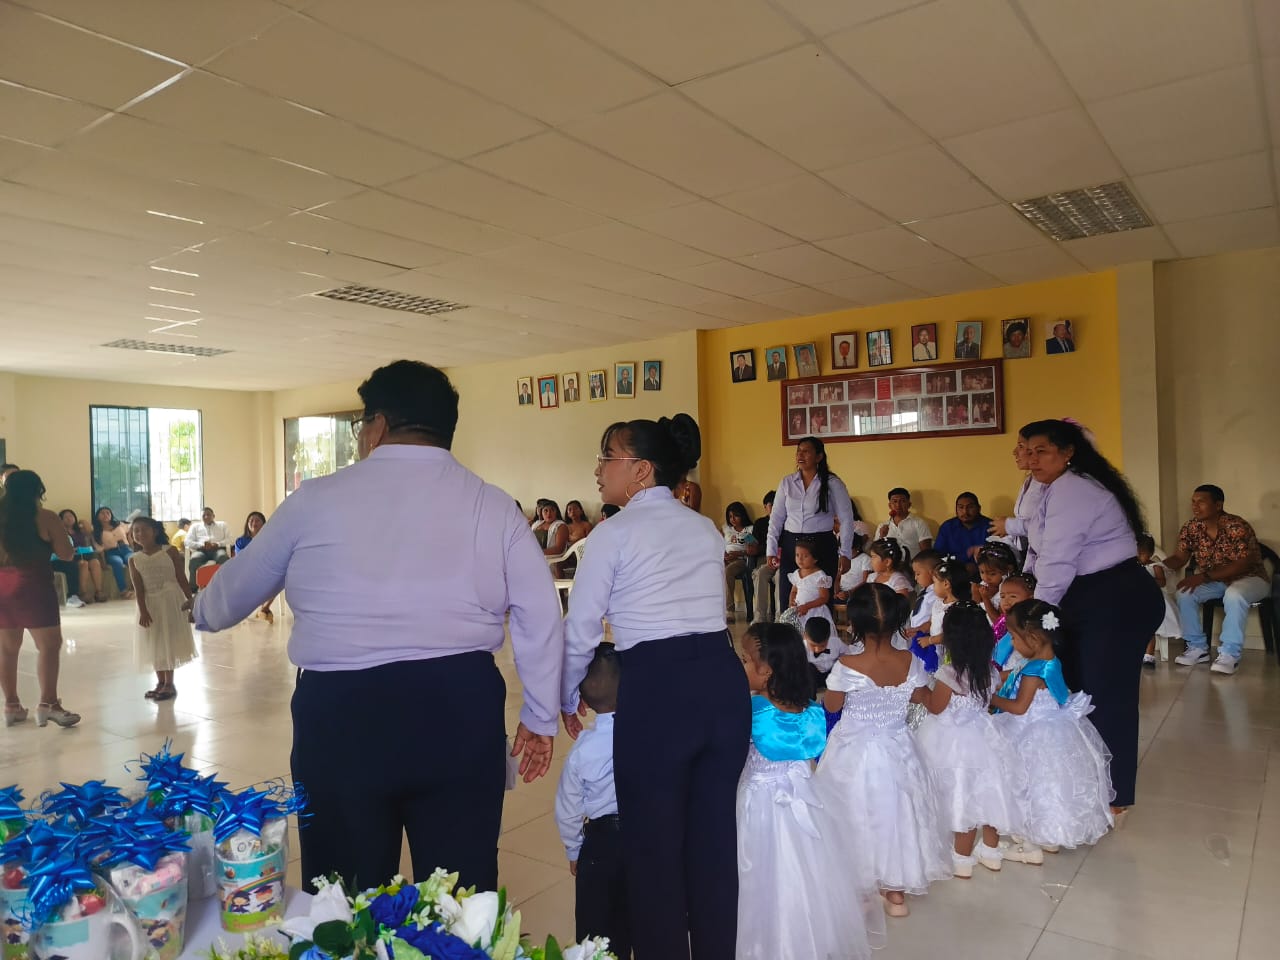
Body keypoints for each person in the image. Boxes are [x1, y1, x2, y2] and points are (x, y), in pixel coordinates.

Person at [194, 360, 563, 893]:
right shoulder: (494, 505)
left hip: (342, 718)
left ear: (378, 426)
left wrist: (199, 608)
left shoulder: (313, 500)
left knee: (345, 896)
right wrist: (540, 715)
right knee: (462, 895)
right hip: (460, 713)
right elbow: (541, 613)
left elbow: (228, 599)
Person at [560, 413, 748, 960]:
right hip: (722, 683)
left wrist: (567, 695)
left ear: (641, 470)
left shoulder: (612, 534)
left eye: (607, 458)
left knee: (653, 851)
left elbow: (581, 629)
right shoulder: (703, 526)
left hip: (658, 690)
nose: (598, 470)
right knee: (713, 845)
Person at [991, 419, 1162, 821]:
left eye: (1042, 451)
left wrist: (1033, 617)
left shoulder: (1075, 488)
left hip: (1116, 599)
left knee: (1106, 696)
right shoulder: (1051, 486)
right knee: (1077, 690)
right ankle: (1084, 781)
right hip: (1087, 596)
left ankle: (1115, 795)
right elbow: (1037, 543)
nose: (1031, 459)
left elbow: (1058, 560)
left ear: (1068, 453)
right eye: (1027, 450)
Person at [736, 622, 881, 960]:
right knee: (803, 874)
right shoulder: (812, 711)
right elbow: (810, 760)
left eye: (744, 659)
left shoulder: (752, 712)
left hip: (758, 806)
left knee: (760, 873)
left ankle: (763, 943)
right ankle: (804, 939)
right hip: (805, 802)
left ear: (766, 671)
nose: (740, 665)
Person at [814, 583, 951, 918]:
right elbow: (922, 698)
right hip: (897, 748)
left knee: (856, 812)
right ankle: (896, 893)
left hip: (853, 752)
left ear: (854, 624)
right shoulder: (909, 660)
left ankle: (862, 888)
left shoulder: (847, 665)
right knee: (896, 812)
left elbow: (832, 705)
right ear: (898, 621)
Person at [990, 600, 1114, 848]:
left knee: (1029, 777)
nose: (1011, 642)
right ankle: (1053, 829)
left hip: (1030, 726)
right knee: (1051, 781)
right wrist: (990, 677)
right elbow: (1013, 674)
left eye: (1013, 637)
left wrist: (990, 698)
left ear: (1033, 638)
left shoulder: (1033, 671)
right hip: (1053, 724)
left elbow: (1019, 707)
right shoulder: (1049, 660)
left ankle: (1037, 829)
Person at [914, 602, 1026, 877]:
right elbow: (986, 700)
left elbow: (936, 707)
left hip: (949, 742)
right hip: (983, 737)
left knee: (960, 798)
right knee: (987, 794)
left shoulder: (949, 674)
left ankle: (962, 859)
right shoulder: (989, 672)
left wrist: (920, 693)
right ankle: (990, 850)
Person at [556, 645, 630, 960]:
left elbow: (568, 809)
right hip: (645, 838)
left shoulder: (581, 750)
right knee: (644, 920)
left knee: (597, 930)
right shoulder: (648, 736)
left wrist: (574, 850)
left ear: (583, 701)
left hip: (600, 845)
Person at [0, 470, 80, 728]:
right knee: (49, 645)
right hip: (33, 583)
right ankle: (48, 703)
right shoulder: (45, 517)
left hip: (2, 585)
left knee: (7, 648)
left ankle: (11, 705)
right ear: (38, 490)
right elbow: (66, 554)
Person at [1165, 484, 1269, 676]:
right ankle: (1197, 648)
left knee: (1234, 594)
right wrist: (1159, 567)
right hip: (1217, 581)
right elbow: (1180, 558)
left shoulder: (1236, 526)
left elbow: (1242, 564)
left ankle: (1230, 654)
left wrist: (1203, 576)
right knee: (1184, 593)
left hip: (1251, 578)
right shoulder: (1191, 528)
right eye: (1193, 502)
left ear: (1218, 505)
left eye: (1201, 502)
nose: (1195, 506)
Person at [766, 437, 856, 613]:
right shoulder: (787, 482)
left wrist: (845, 553)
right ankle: (790, 631)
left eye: (806, 451)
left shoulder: (832, 483)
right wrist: (771, 549)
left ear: (819, 456)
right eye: (798, 451)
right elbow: (776, 519)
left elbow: (846, 519)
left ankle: (820, 631)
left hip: (820, 545)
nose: (800, 455)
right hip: (792, 545)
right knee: (789, 598)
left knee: (820, 600)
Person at [128, 517, 195, 703]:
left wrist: (191, 600)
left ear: (155, 531)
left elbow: (181, 577)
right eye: (136, 531)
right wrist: (143, 611)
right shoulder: (134, 560)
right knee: (154, 640)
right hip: (150, 604)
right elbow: (138, 588)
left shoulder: (169, 551)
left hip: (170, 601)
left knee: (168, 639)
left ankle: (169, 683)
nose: (140, 534)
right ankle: (160, 682)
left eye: (144, 529)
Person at [1136, 533, 1181, 668]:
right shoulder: (1133, 567)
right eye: (1136, 553)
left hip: (1152, 600)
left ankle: (1149, 656)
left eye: (1141, 554)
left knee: (1150, 629)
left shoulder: (1155, 566)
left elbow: (1162, 582)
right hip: (1136, 601)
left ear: (1150, 554)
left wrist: (1149, 581)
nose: (1138, 556)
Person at [232, 511, 277, 623]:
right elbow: (241, 559)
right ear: (247, 524)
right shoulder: (241, 541)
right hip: (247, 571)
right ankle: (261, 610)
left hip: (266, 570)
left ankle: (265, 608)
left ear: (264, 524)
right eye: (251, 520)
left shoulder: (270, 539)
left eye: (257, 520)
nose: (254, 523)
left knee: (280, 578)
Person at [786, 537, 834, 636]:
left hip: (815, 612)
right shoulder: (796, 574)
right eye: (797, 555)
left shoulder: (820, 576)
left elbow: (824, 598)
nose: (800, 559)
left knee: (815, 636)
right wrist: (791, 603)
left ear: (815, 559)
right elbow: (794, 591)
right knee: (801, 636)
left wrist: (807, 606)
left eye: (805, 556)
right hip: (800, 611)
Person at [57, 509, 105, 604]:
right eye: (66, 517)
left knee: (95, 562)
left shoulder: (80, 530)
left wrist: (82, 521)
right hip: (72, 556)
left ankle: (99, 591)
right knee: (83, 564)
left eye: (71, 516)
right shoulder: (60, 532)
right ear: (61, 520)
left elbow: (89, 529)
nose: (69, 518)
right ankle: (83, 593)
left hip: (85, 553)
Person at [932, 492, 992, 566]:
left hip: (984, 570)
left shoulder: (991, 526)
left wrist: (977, 567)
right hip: (954, 569)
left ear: (979, 508)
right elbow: (938, 556)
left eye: (970, 507)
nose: (965, 511)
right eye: (961, 507)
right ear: (956, 509)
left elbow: (995, 557)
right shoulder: (947, 527)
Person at [92, 506, 135, 600]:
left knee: (132, 559)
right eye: (102, 513)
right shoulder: (96, 531)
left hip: (126, 549)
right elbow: (100, 549)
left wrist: (132, 546)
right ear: (97, 517)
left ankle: (135, 587)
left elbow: (130, 531)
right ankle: (123, 591)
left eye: (108, 513)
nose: (105, 515)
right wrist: (103, 563)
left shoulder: (120, 525)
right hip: (111, 552)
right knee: (117, 562)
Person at [972, 543, 1019, 626]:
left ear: (1008, 570)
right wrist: (975, 595)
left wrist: (985, 598)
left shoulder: (1007, 590)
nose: (986, 578)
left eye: (992, 574)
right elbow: (974, 613)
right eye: (982, 572)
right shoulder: (983, 584)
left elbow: (999, 623)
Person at [722, 502, 754, 623]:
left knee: (728, 571)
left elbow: (753, 549)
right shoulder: (726, 529)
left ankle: (729, 610)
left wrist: (739, 554)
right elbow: (716, 541)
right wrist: (722, 554)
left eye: (736, 516)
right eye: (730, 516)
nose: (733, 519)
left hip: (740, 560)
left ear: (742, 515)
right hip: (726, 559)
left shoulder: (747, 530)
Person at [801, 617, 848, 700]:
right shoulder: (801, 647)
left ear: (828, 637)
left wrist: (841, 661)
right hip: (813, 678)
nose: (817, 649)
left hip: (831, 674)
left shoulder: (836, 642)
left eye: (822, 645)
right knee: (807, 668)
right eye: (813, 645)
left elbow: (848, 653)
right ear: (805, 636)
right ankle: (810, 700)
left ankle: (840, 697)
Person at [876, 488, 933, 556]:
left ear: (909, 504)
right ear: (890, 505)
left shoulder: (919, 523)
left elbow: (926, 552)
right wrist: (882, 536)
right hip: (890, 562)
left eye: (902, 501)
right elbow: (876, 552)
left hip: (913, 562)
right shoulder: (882, 526)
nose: (898, 505)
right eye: (895, 501)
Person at [186, 507, 230, 589]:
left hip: (217, 549)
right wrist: (201, 545)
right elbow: (187, 541)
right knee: (194, 559)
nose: (206, 517)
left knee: (223, 557)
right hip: (201, 551)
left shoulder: (222, 525)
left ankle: (224, 585)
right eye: (203, 515)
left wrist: (217, 544)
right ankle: (193, 588)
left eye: (208, 514)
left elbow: (230, 539)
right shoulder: (195, 527)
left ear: (213, 516)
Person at [750, 491, 776, 625]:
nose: (774, 508)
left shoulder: (788, 522)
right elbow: (753, 544)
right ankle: (760, 617)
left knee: (780, 577)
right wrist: (752, 549)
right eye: (771, 505)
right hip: (764, 559)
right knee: (760, 574)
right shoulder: (760, 523)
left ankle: (780, 616)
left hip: (781, 560)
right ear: (765, 507)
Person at [532, 500, 570, 576]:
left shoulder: (561, 526)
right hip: (534, 556)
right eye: (545, 510)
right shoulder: (536, 525)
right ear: (541, 513)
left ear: (556, 512)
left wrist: (537, 552)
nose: (549, 513)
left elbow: (559, 549)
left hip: (553, 559)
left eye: (552, 510)